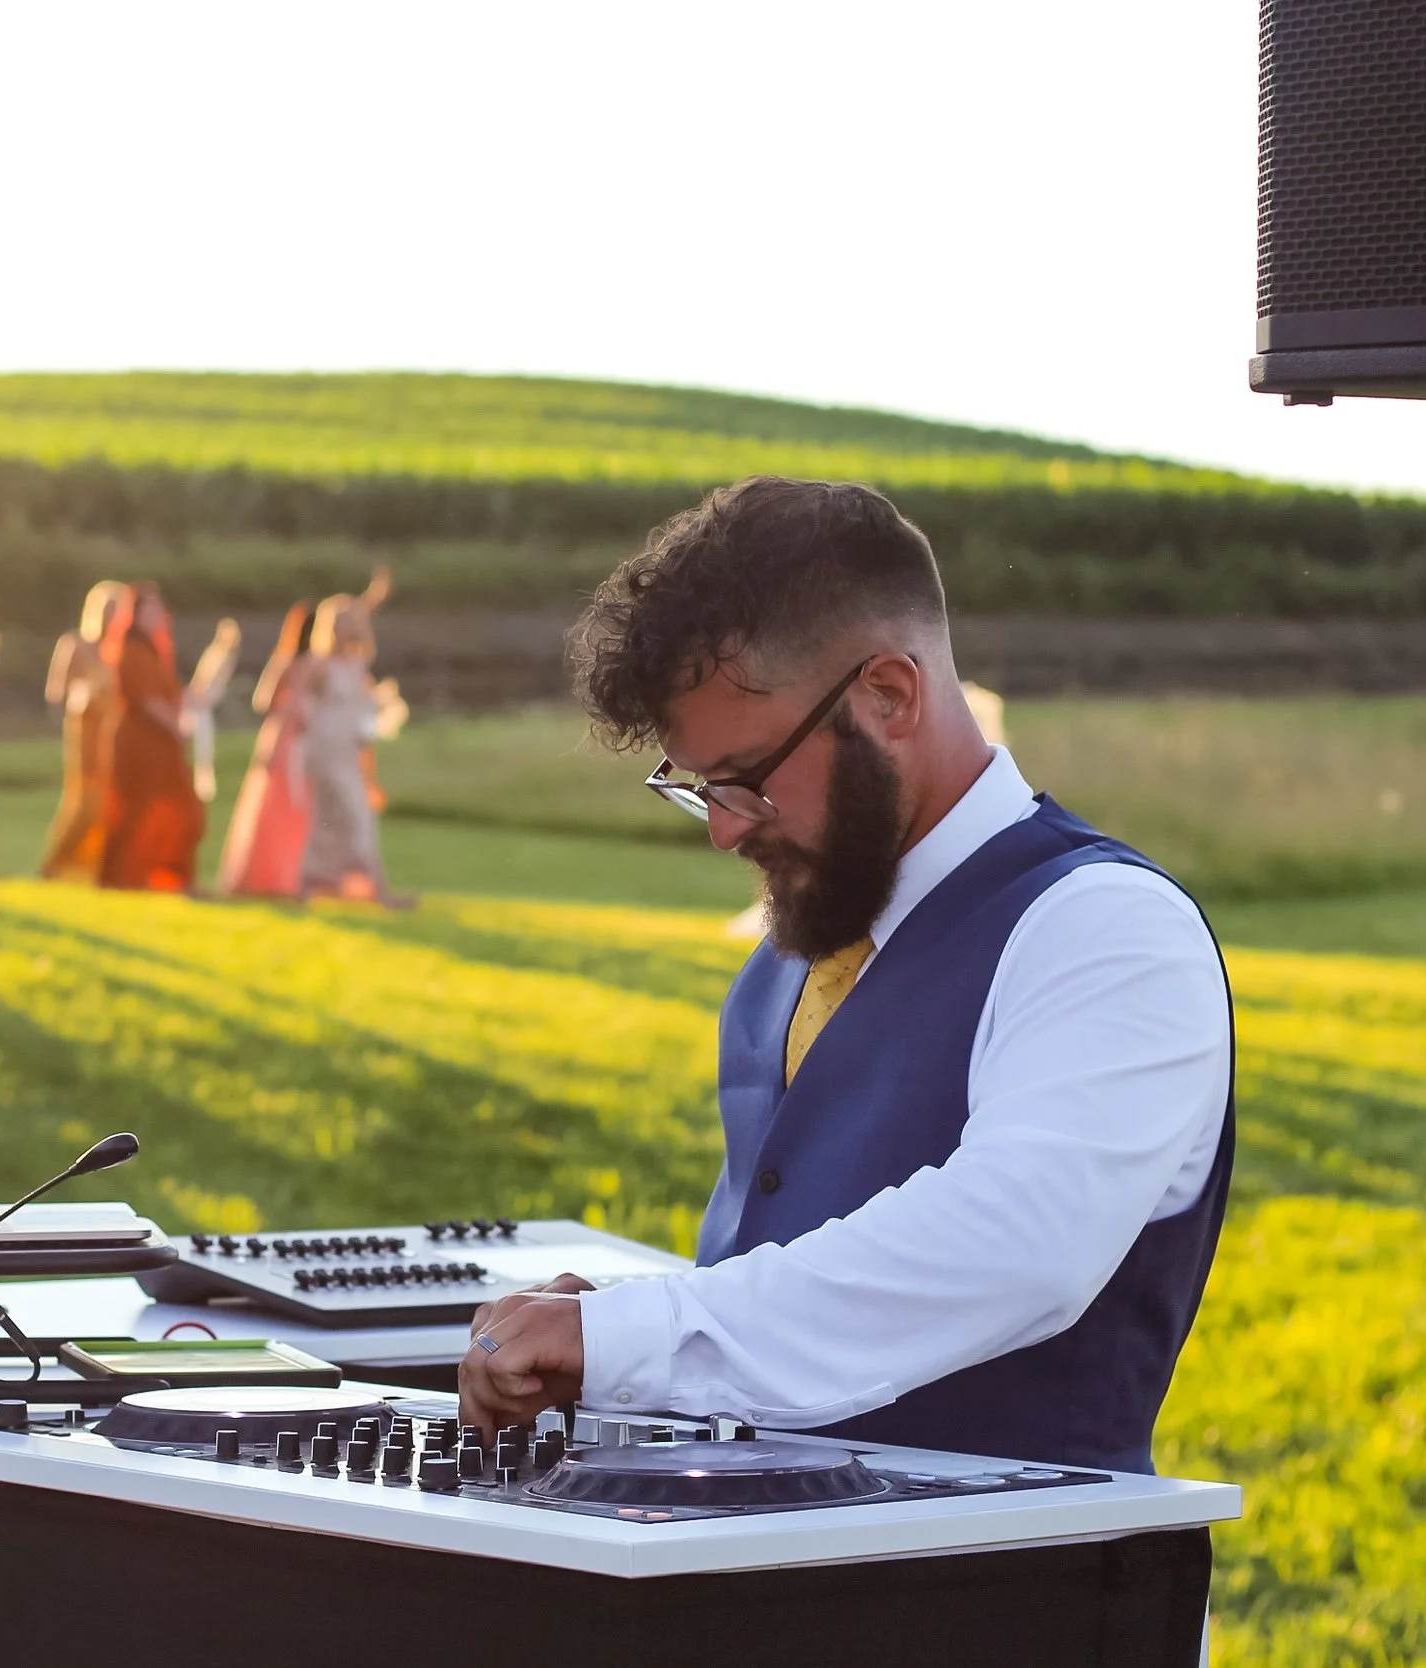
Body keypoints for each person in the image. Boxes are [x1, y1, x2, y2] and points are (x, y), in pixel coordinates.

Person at [456, 477, 1234, 1478]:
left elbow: (1013, 1246)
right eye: (698, 790)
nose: (726, 828)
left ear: (888, 695)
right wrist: (602, 1323)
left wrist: (636, 1339)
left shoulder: (1106, 930)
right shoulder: (790, 955)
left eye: (746, 777)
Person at [298, 595, 408, 903]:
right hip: (325, 749)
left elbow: (363, 716)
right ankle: (376, 892)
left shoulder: (358, 665)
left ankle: (319, 886)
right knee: (345, 815)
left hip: (349, 751)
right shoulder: (317, 665)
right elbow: (293, 704)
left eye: (345, 623)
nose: (341, 630)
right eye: (335, 623)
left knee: (348, 816)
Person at [97, 583, 205, 892]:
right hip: (141, 740)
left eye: (157, 608)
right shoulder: (131, 650)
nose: (154, 615)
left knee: (179, 807)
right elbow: (147, 700)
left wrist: (190, 701)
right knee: (139, 808)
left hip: (160, 742)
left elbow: (165, 693)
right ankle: (125, 877)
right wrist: (176, 726)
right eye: (147, 609)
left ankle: (170, 875)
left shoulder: (155, 650)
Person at [216, 602, 318, 897]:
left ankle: (291, 876)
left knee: (299, 808)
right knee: (275, 805)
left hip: (304, 737)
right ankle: (266, 877)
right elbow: (264, 701)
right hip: (285, 738)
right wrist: (292, 707)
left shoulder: (317, 666)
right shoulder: (287, 662)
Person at [41, 580, 129, 881]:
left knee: (110, 799)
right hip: (84, 730)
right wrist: (86, 692)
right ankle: (55, 864)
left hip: (113, 731)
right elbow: (57, 692)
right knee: (84, 800)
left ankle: (98, 866)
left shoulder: (119, 649)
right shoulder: (76, 644)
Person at [181, 616, 245, 804]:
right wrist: (193, 695)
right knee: (192, 744)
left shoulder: (227, 656)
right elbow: (202, 677)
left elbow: (217, 683)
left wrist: (204, 697)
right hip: (198, 700)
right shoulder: (215, 652)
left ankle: (203, 788)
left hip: (204, 701)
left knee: (203, 748)